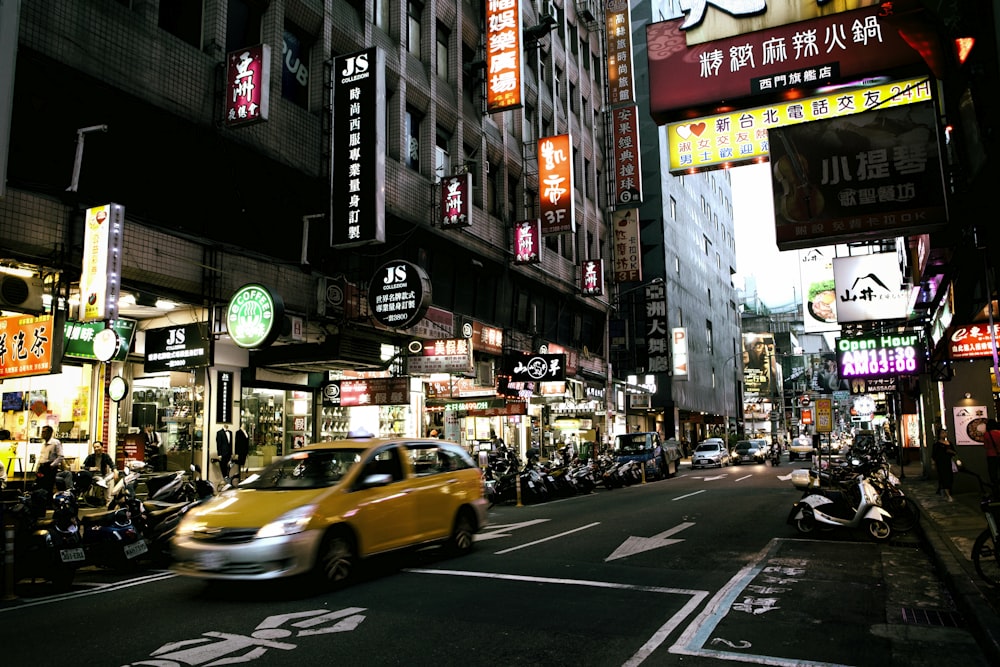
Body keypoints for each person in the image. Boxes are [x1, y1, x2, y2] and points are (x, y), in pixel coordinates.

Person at [35, 425, 63, 497]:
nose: (42, 433)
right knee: (40, 485)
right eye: (42, 432)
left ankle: (48, 502)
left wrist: (52, 465)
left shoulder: (55, 443)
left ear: (49, 433)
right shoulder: (43, 444)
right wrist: (37, 466)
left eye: (44, 432)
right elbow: (42, 456)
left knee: (48, 486)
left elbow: (61, 456)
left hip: (49, 467)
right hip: (42, 467)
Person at [932, 427, 957, 502]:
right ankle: (948, 495)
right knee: (944, 478)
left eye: (945, 432)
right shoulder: (937, 444)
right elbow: (934, 455)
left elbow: (955, 452)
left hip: (949, 463)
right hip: (941, 464)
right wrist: (933, 463)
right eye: (942, 433)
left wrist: (951, 452)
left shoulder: (949, 443)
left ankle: (944, 491)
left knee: (950, 478)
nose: (944, 434)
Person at [983, 418, 1000, 492]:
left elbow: (986, 446)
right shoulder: (999, 433)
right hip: (999, 454)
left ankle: (995, 488)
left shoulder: (987, 434)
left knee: (993, 473)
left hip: (991, 455)